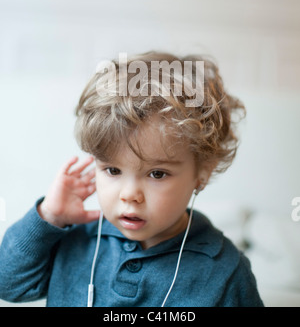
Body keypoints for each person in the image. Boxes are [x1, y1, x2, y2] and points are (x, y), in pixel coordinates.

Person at [0, 51, 264, 307]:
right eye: (113, 170)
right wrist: (49, 217)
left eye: (157, 173)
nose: (129, 195)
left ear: (203, 171)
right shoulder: (76, 240)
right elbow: (8, 284)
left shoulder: (224, 271)